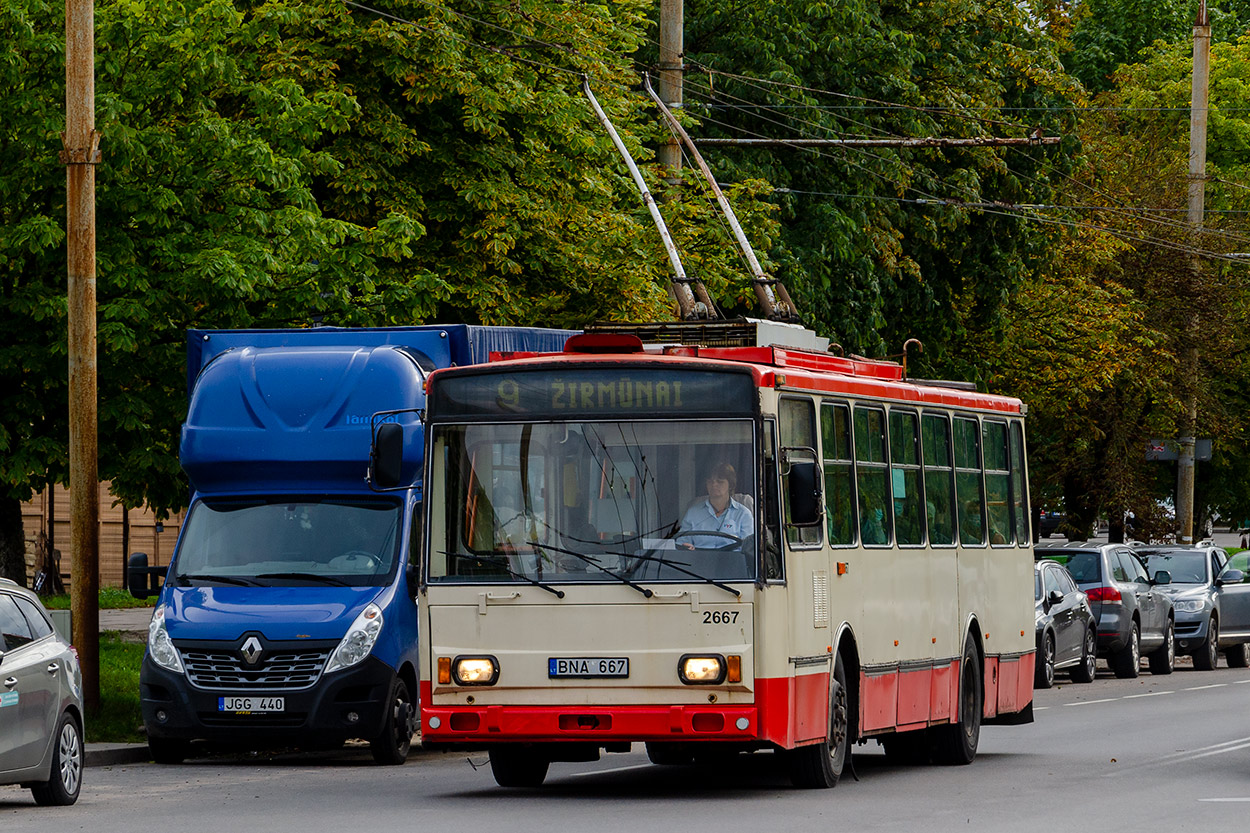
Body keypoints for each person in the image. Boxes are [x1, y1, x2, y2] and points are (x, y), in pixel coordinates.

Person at [676, 463, 754, 549]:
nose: (714, 485)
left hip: (733, 561)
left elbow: (748, 549)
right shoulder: (693, 512)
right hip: (698, 561)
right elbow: (681, 543)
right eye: (710, 481)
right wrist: (686, 547)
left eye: (720, 482)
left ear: (730, 485)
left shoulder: (743, 514)